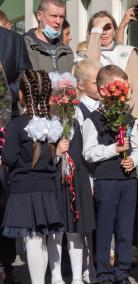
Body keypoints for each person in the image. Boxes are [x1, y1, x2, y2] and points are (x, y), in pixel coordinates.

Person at [82, 65, 138, 283]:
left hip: (127, 181)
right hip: (106, 181)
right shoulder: (93, 120)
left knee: (126, 227)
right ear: (104, 91)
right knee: (105, 228)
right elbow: (88, 153)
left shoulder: (128, 120)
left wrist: (132, 160)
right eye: (119, 87)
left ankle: (122, 271)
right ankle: (104, 273)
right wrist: (113, 150)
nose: (123, 92)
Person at [2, 70, 66, 284]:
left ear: (21, 95)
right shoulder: (54, 124)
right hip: (47, 188)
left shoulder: (17, 125)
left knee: (32, 241)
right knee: (42, 241)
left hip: (24, 190)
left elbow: (9, 157)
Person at [47, 71, 96, 284]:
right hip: (56, 179)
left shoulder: (78, 114)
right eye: (60, 94)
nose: (64, 98)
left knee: (76, 231)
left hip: (78, 177)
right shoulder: (48, 119)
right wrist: (56, 153)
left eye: (68, 93)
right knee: (56, 232)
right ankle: (56, 275)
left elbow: (88, 147)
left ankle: (77, 277)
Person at [0, 24, 32, 283]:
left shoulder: (13, 40)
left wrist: (2, 88)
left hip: (4, 127)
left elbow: (23, 81)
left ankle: (5, 263)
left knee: (3, 198)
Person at [86, 10, 138, 134]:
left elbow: (137, 91)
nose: (104, 32)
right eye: (99, 28)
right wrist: (96, 34)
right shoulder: (84, 56)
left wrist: (137, 121)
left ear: (114, 29)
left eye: (107, 27)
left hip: (126, 115)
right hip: (96, 117)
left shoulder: (128, 53)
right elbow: (91, 66)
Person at [73, 58, 103, 284]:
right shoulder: (76, 111)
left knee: (101, 220)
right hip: (85, 171)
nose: (101, 87)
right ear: (81, 85)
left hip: (103, 170)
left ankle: (100, 262)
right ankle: (86, 265)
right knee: (86, 222)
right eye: (95, 83)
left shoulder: (106, 105)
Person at [24, 0, 74, 73]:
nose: (58, 21)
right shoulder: (25, 45)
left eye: (62, 17)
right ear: (39, 16)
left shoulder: (66, 50)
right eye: (54, 16)